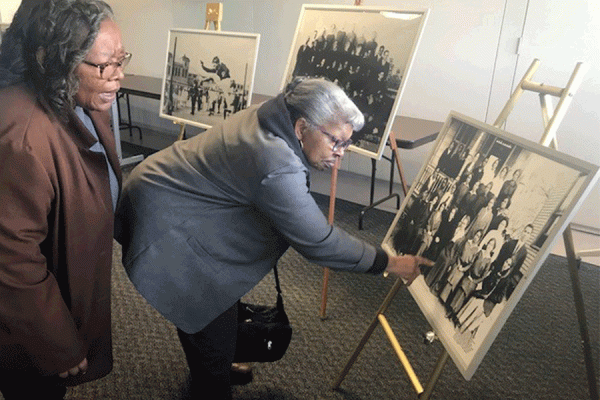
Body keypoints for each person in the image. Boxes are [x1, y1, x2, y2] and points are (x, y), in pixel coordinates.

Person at [115, 78, 432, 399]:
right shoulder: (276, 160)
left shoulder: (271, 116)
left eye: (346, 144)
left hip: (177, 197)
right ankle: (212, 381)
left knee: (213, 306)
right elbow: (319, 242)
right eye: (336, 142)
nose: (340, 154)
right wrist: (388, 262)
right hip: (164, 220)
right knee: (206, 310)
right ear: (301, 127)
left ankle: (216, 367)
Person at [0, 1, 126, 398]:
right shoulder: (25, 138)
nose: (119, 76)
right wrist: (57, 345)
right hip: (27, 330)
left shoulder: (76, 97)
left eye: (122, 60)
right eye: (106, 65)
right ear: (53, 60)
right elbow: (12, 261)